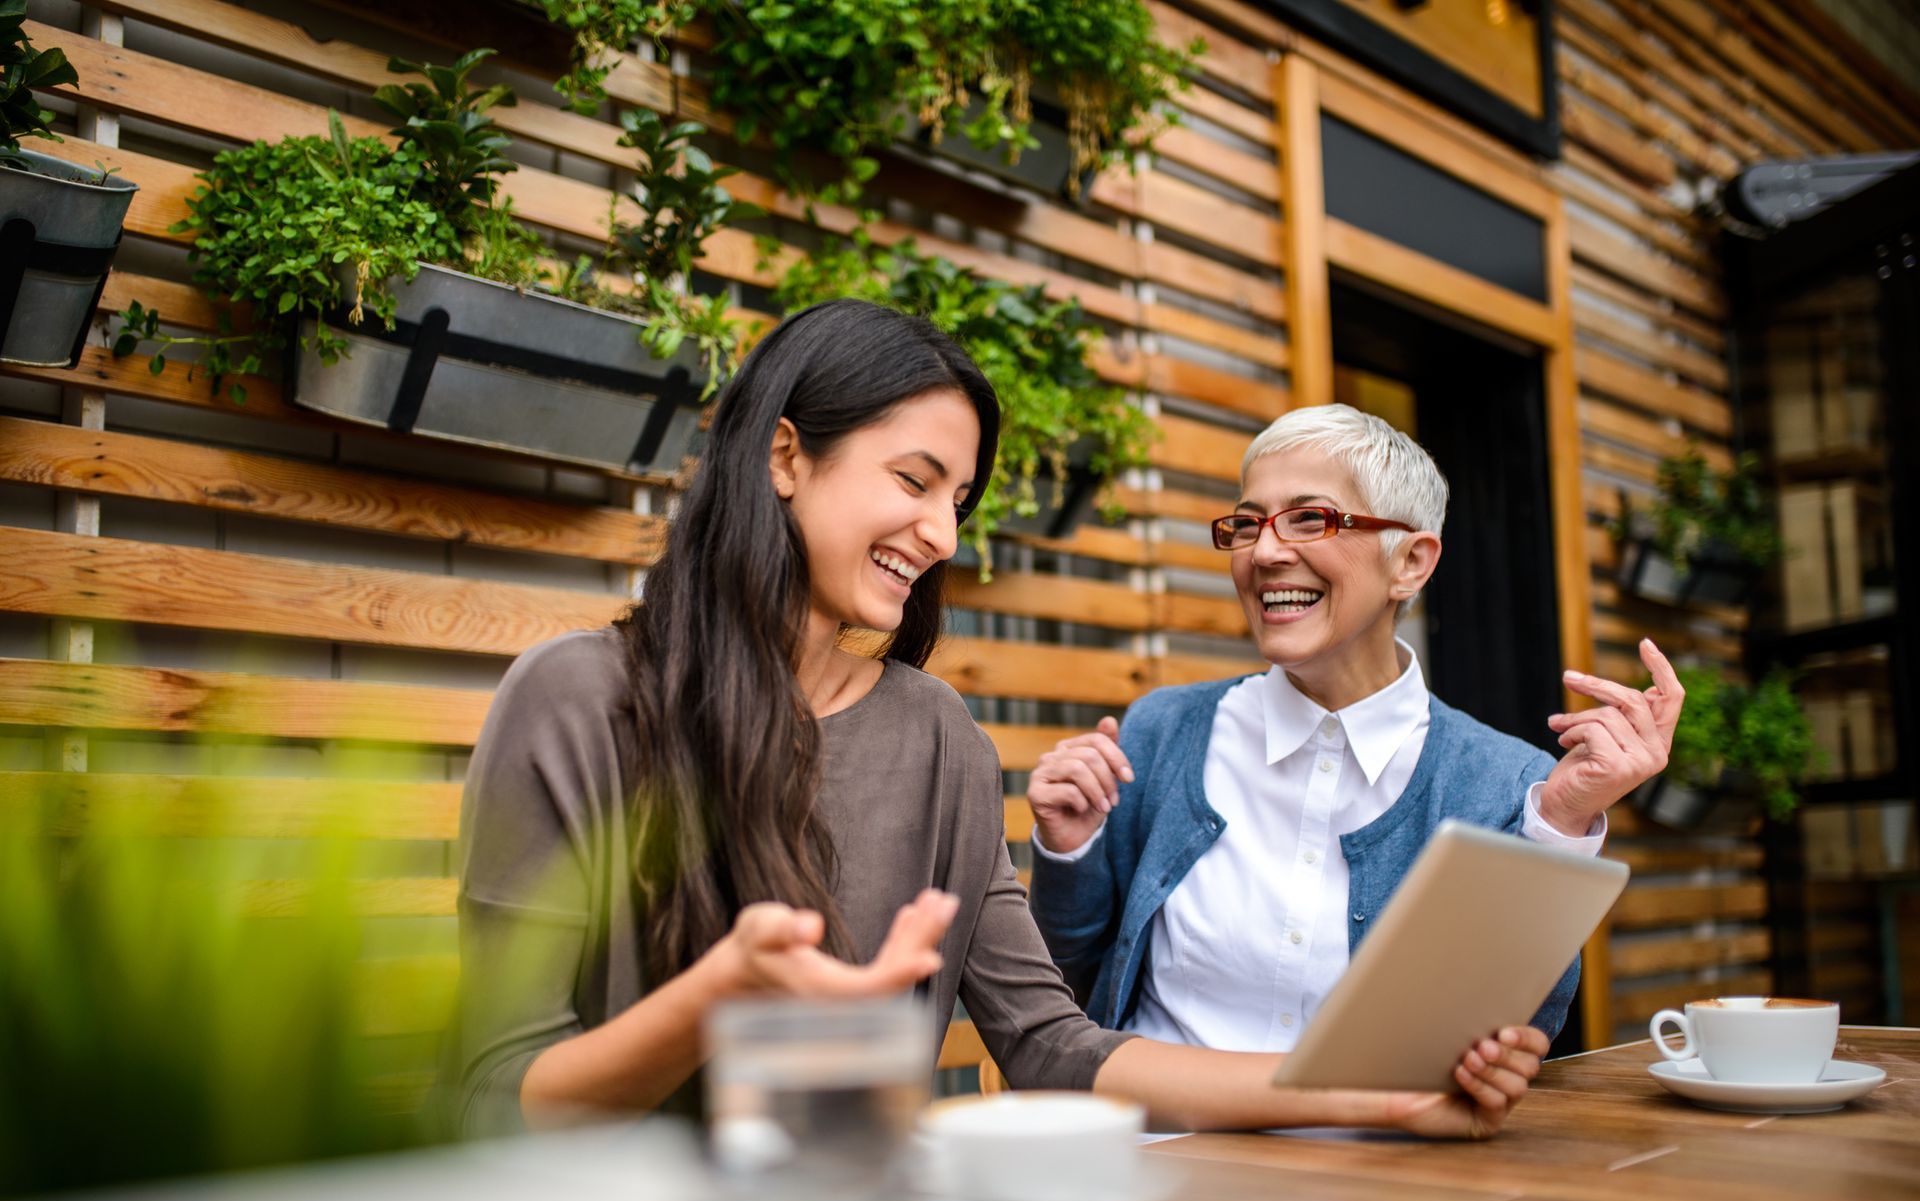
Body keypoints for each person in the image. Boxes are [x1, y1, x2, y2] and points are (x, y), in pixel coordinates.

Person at [449, 305, 1546, 1143]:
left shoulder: (939, 738)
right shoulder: (581, 700)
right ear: (786, 457)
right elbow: (500, 1096)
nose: (940, 534)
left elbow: (1053, 1044)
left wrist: (1387, 1095)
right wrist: (717, 995)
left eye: (959, 500)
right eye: (915, 480)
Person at [1027, 403, 1683, 1055]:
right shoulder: (1163, 731)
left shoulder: (1509, 785)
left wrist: (1560, 827)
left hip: (1374, 1158)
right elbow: (1069, 989)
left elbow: (1514, 1034)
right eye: (1248, 524)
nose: (1266, 551)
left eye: (1310, 519)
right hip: (1163, 1146)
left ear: (1412, 564)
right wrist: (1069, 851)